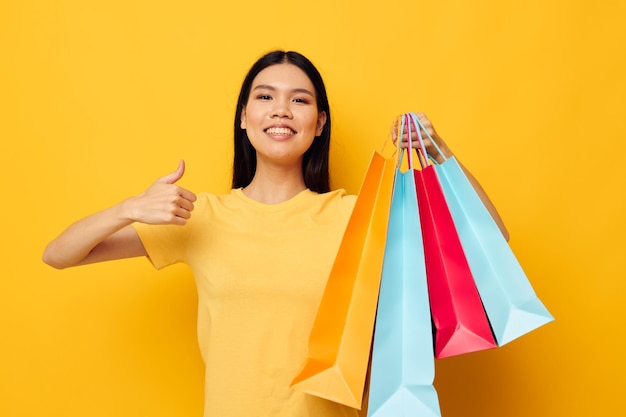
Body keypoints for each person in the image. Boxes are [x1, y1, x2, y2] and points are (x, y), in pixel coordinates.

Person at [43, 50, 508, 417]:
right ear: (243, 118)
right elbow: (60, 254)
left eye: (299, 99)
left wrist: (437, 150)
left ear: (319, 123)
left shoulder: (356, 215)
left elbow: (491, 240)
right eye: (264, 97)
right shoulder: (201, 216)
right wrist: (130, 209)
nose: (281, 110)